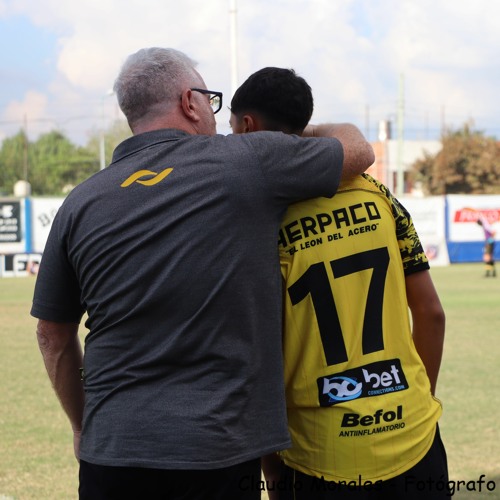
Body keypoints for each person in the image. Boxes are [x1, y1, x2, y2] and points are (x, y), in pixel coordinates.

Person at [31, 48, 374, 500]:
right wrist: (299, 135)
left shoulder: (79, 202)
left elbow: (52, 335)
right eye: (211, 102)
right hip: (217, 452)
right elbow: (358, 149)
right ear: (190, 103)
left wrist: (82, 428)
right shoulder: (247, 159)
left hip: (111, 452)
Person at [230, 66, 448, 499]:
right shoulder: (377, 195)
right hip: (414, 438)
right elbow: (432, 314)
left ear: (248, 125)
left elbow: (260, 357)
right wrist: (416, 404)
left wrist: (271, 467)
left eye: (231, 126)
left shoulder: (259, 218)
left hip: (318, 454)